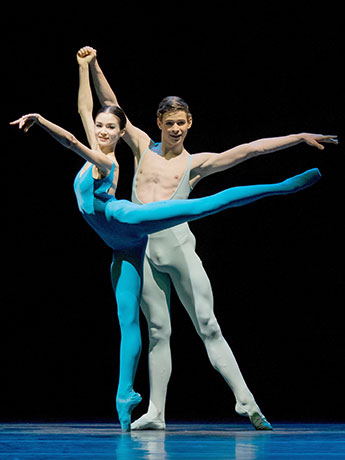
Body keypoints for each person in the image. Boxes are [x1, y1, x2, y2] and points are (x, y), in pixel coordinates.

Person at [83, 46, 338, 431]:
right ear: (159, 123)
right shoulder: (138, 145)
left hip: (180, 248)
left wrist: (297, 136)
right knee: (157, 330)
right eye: (169, 123)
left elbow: (248, 150)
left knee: (208, 324)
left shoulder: (196, 162)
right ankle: (157, 412)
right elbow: (110, 104)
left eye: (182, 123)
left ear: (190, 123)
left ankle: (245, 399)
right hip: (145, 251)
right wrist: (93, 64)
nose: (175, 129)